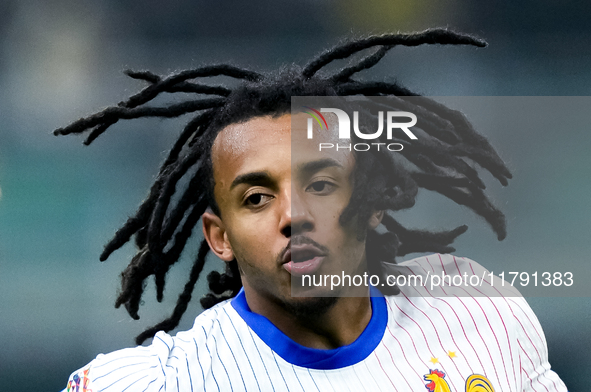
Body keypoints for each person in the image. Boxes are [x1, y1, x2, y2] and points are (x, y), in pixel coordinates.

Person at [58, 29, 566, 391]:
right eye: (256, 198)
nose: (294, 215)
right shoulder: (160, 382)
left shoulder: (481, 315)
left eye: (321, 184)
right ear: (219, 237)